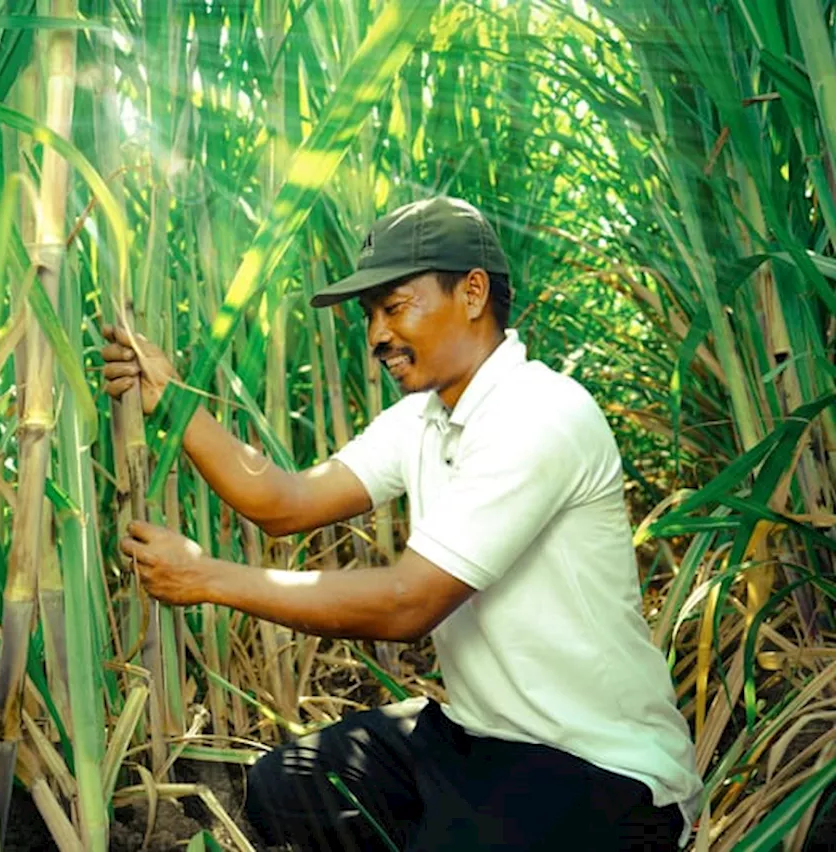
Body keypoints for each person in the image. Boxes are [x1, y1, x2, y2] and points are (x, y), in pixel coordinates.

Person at [101, 196, 702, 851]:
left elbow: (406, 603)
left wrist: (205, 578)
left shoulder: (540, 415)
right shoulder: (424, 419)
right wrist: (172, 400)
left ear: (472, 292)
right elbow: (285, 502)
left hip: (597, 767)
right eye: (369, 316)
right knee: (286, 789)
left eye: (393, 307)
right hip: (472, 736)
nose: (376, 336)